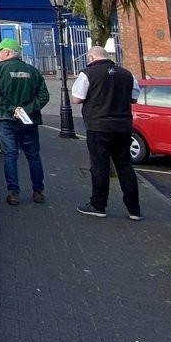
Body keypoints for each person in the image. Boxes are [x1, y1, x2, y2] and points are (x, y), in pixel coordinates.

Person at [72, 45, 142, 220]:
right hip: (123, 126)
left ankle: (98, 205)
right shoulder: (127, 74)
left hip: (99, 126)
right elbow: (134, 98)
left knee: (99, 167)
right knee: (125, 167)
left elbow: (77, 98)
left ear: (91, 58)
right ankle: (134, 209)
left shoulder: (88, 74)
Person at [0, 38, 48, 206]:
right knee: (33, 156)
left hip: (6, 120)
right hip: (29, 120)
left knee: (10, 156)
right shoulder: (32, 71)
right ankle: (38, 191)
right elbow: (44, 96)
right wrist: (26, 110)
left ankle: (13, 192)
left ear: (7, 52)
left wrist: (12, 109)